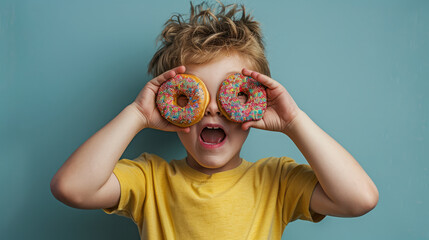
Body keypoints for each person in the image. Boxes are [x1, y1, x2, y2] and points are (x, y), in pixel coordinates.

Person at [50, 1, 379, 239]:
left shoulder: (276, 181)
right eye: (195, 96)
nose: (211, 110)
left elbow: (359, 199)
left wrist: (294, 121)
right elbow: (71, 188)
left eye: (228, 96)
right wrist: (136, 115)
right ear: (171, 104)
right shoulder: (150, 179)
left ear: (254, 102)